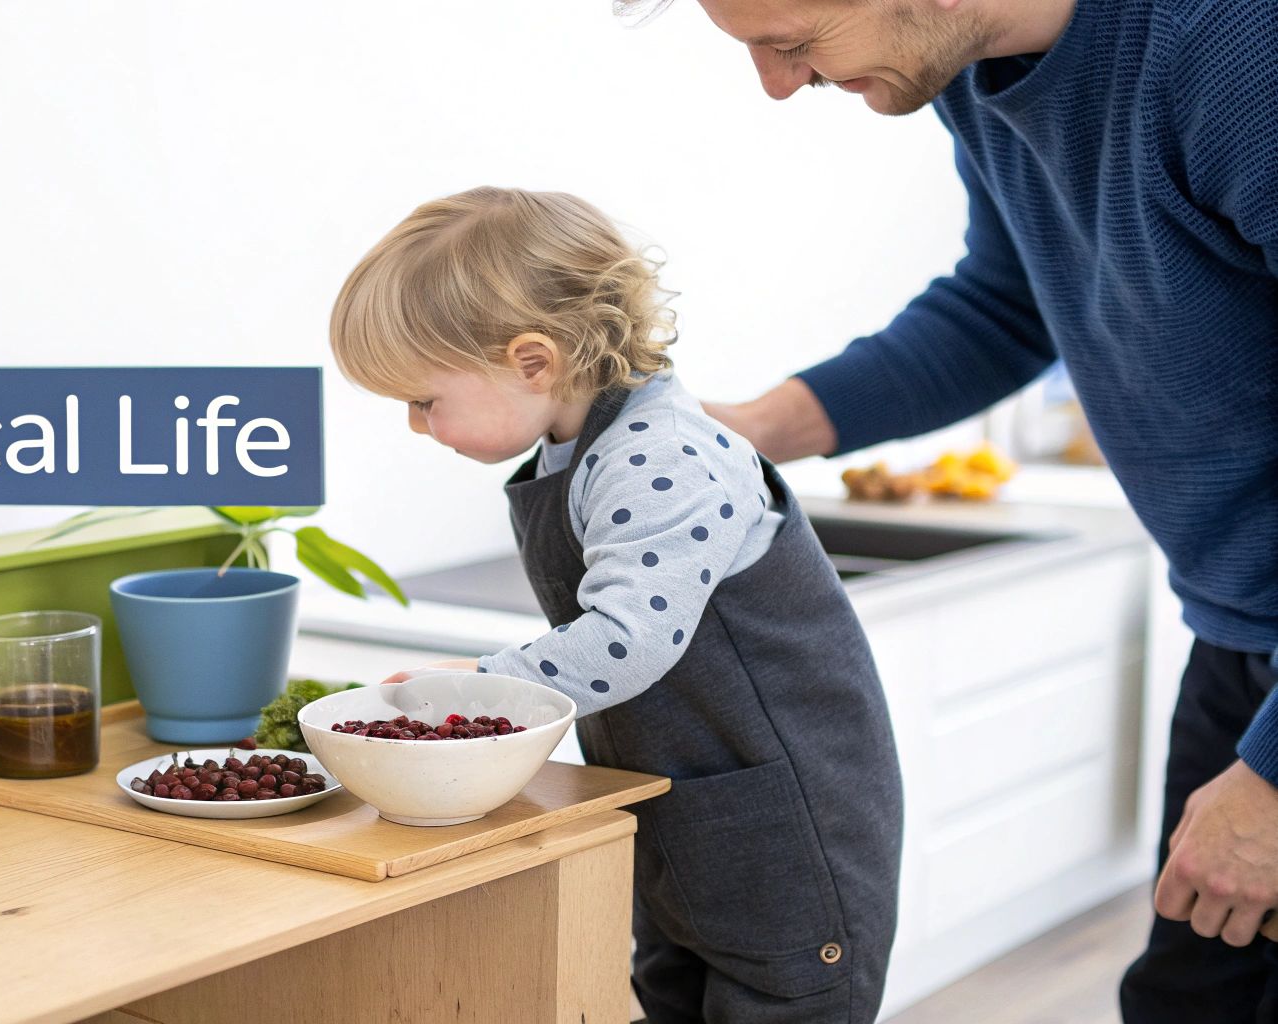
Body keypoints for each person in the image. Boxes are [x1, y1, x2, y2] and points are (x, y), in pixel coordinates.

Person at [615, 0, 1278, 1019]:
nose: (776, 84)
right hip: (1238, 630)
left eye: (789, 42)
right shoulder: (975, 70)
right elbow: (1005, 305)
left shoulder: (1233, 47)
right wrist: (745, 430)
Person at [328, 185, 903, 1023]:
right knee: (669, 995)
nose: (419, 425)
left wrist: (480, 690)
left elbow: (630, 639)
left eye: (424, 399)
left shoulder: (659, 452)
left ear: (532, 360)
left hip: (782, 834)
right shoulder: (579, 449)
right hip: (690, 813)